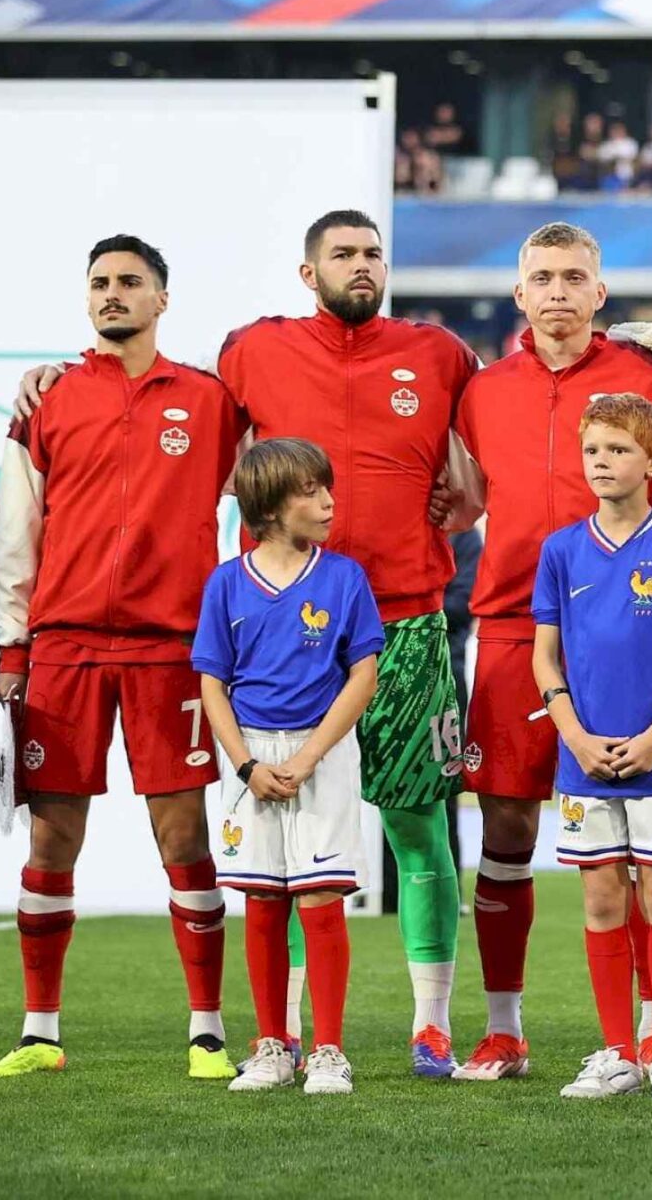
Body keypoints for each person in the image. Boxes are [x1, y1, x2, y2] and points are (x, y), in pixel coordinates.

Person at [14, 212, 481, 1076]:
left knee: (419, 825)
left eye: (374, 253)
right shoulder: (249, 354)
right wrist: (51, 378)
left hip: (409, 619)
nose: (362, 266)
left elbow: (476, 477)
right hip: (279, 632)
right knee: (283, 848)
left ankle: (433, 1021)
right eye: (343, 254)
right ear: (309, 273)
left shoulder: (443, 354)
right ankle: (287, 1029)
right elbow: (162, 421)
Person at [451, 222, 652, 1080]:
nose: (560, 291)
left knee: (637, 851)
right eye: (543, 276)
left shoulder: (647, 376)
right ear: (520, 294)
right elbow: (456, 501)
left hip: (630, 640)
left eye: (576, 276)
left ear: (600, 293)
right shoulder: (481, 391)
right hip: (511, 630)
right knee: (503, 826)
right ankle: (506, 1029)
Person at [0, 235, 246, 1080]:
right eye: (99, 282)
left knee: (183, 835)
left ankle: (206, 1031)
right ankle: (39, 1031)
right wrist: (12, 645)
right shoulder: (47, 401)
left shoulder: (211, 400)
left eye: (130, 282)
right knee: (53, 837)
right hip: (63, 649)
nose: (111, 294)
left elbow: (275, 491)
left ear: (162, 299)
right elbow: (14, 534)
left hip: (172, 648)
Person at [532, 394, 652, 1100]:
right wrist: (574, 734)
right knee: (602, 898)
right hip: (582, 758)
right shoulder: (561, 549)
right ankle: (616, 1051)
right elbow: (545, 658)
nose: (603, 462)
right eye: (592, 450)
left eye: (618, 449)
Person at [195, 438, 384, 1094]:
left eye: (327, 487)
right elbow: (212, 682)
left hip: (323, 754)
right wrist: (245, 764)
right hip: (249, 756)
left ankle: (328, 1048)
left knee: (322, 897)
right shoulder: (226, 582)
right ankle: (273, 1043)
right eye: (311, 489)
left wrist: (307, 756)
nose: (329, 500)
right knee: (263, 900)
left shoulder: (344, 577)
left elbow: (363, 674)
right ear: (270, 505)